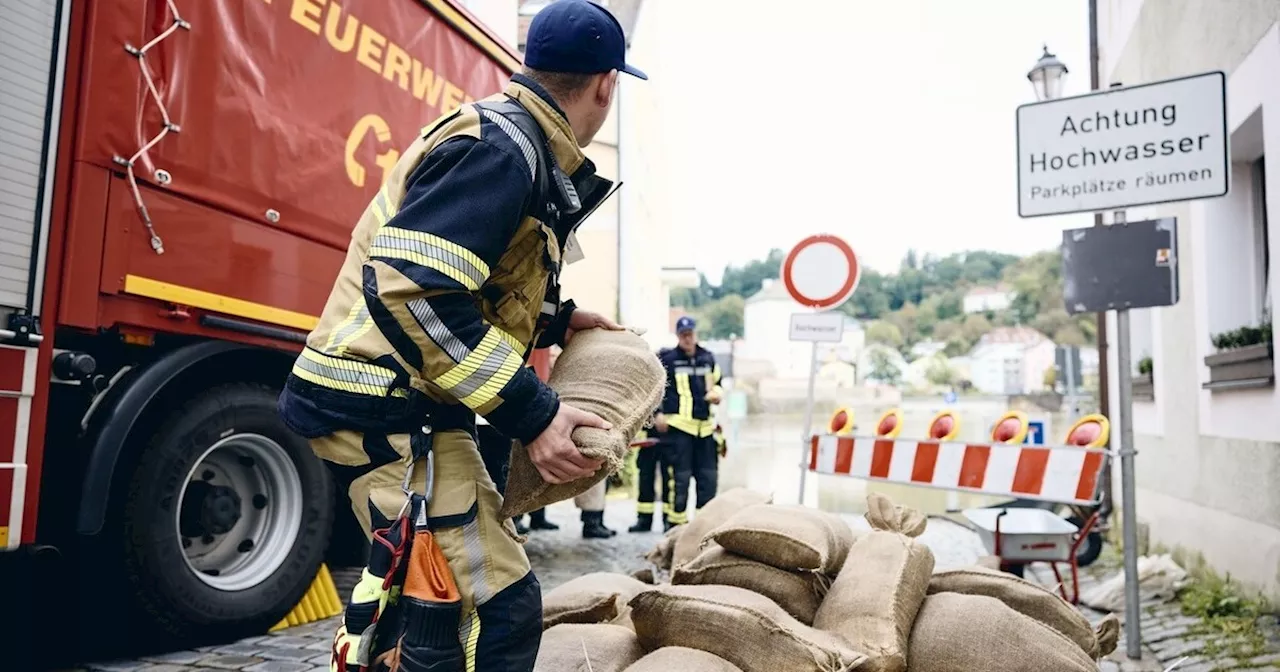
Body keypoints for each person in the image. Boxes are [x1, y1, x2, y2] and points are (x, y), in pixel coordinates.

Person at [276, 0, 646, 667]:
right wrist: (536, 414)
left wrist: (556, 320)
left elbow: (468, 283)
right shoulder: (503, 150)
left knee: (425, 598)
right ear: (606, 84)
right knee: (495, 609)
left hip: (395, 406)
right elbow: (412, 290)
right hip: (387, 410)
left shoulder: (510, 139)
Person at [655, 317, 722, 530]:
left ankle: (705, 528)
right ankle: (676, 528)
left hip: (705, 430)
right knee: (679, 481)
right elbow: (655, 388)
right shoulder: (668, 359)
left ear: (695, 334)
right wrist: (658, 413)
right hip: (679, 429)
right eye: (683, 334)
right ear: (678, 336)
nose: (687, 338)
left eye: (690, 334)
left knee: (708, 481)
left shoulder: (707, 358)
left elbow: (719, 383)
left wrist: (717, 393)